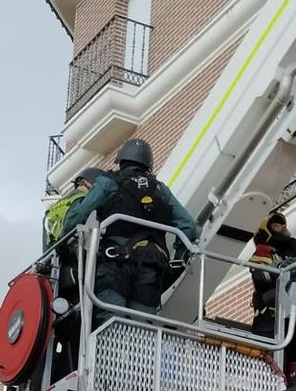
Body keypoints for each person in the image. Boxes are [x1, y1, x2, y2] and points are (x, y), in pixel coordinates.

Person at [61, 138, 198, 321]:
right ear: (148, 164)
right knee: (141, 327)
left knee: (111, 322)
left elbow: (76, 217)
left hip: (115, 264)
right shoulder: (160, 190)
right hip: (151, 267)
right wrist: (177, 260)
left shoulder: (108, 182)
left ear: (121, 160)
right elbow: (188, 225)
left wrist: (63, 244)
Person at [249, 212, 296, 374]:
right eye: (276, 225)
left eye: (283, 225)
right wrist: (280, 269)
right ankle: (275, 380)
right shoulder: (263, 251)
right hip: (269, 318)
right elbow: (260, 276)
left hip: (290, 316)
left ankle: (293, 380)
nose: (282, 227)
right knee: (270, 360)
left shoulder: (286, 254)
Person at [44, 167, 107, 249]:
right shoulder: (81, 199)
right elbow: (78, 217)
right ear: (83, 182)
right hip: (71, 246)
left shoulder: (53, 208)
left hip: (55, 252)